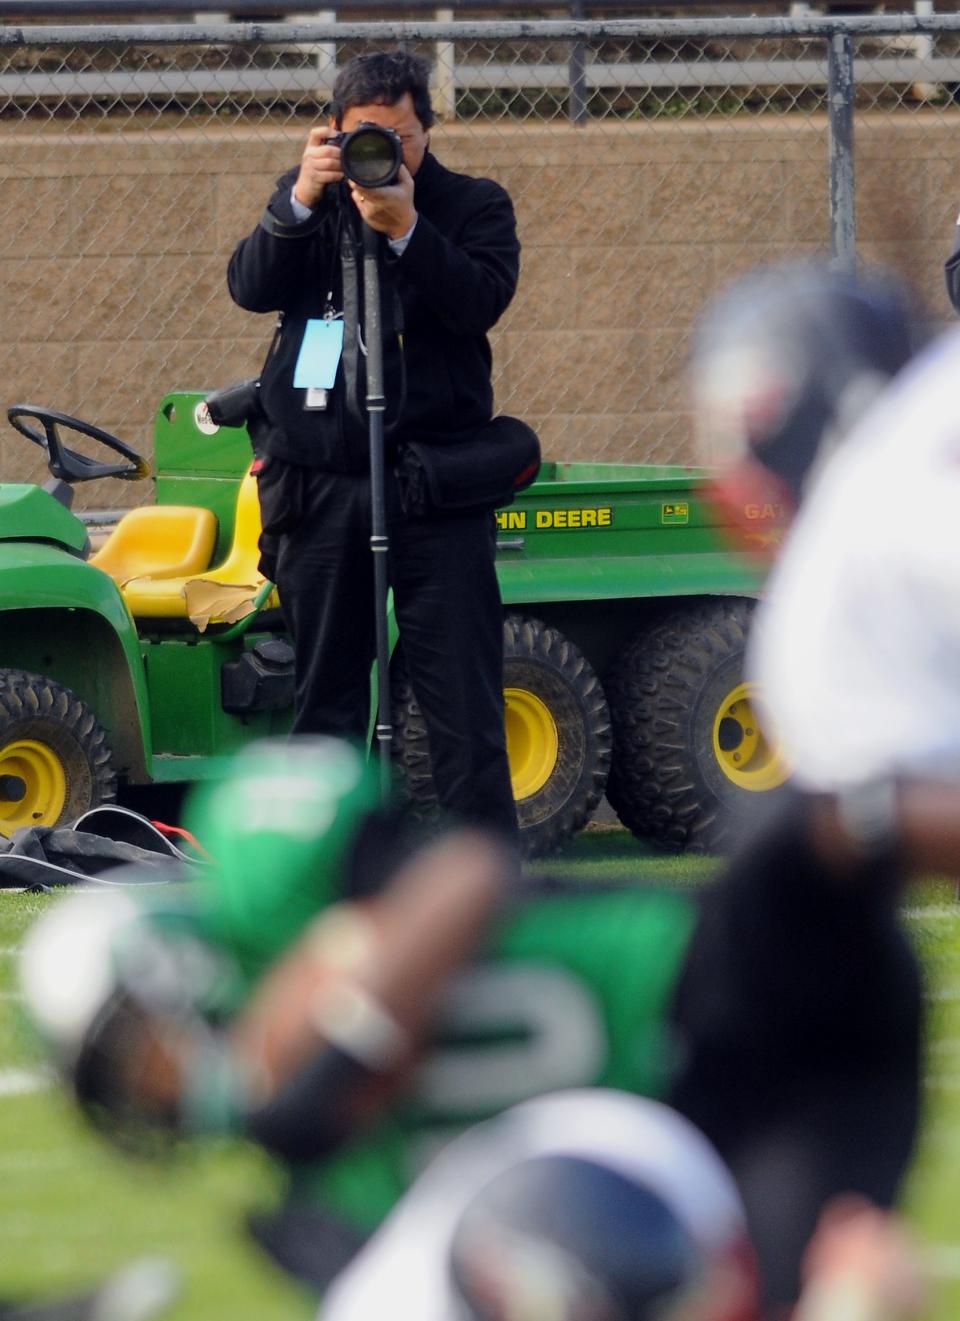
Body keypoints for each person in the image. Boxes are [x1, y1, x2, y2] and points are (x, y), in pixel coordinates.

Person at [17, 733, 932, 1319]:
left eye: (138, 1060)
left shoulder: (264, 876)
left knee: (812, 822)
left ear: (175, 971)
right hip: (719, 1124)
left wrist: (346, 1042)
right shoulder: (310, 1204)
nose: (153, 1092)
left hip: (725, 972)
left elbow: (466, 868)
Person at [226, 48, 521, 839]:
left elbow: (480, 301)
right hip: (320, 483)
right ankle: (320, 881)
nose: (384, 156)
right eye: (364, 137)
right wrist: (298, 197)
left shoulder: (471, 204)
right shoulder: (312, 202)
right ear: (331, 132)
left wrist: (409, 232)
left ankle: (482, 887)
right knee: (324, 699)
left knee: (462, 700)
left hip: (432, 482)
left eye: (401, 138)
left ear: (427, 130)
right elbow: (250, 286)